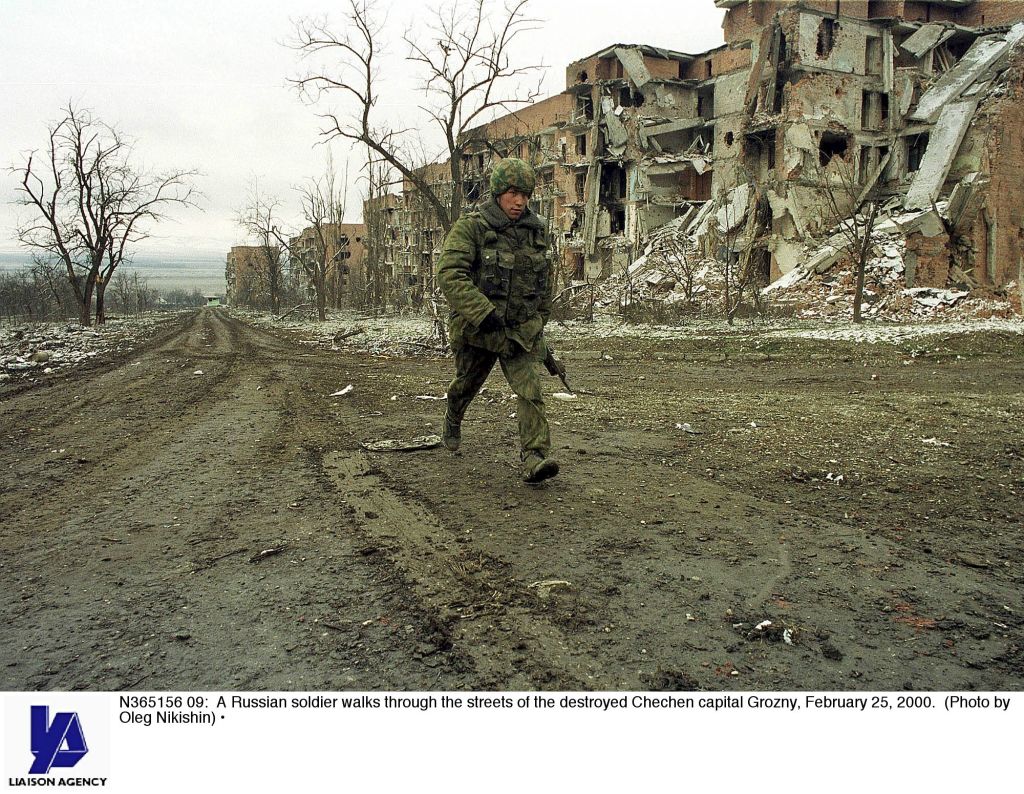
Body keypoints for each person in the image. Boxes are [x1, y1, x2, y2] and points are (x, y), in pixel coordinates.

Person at [435, 157, 559, 483]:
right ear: (498, 192)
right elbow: (450, 274)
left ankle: (534, 456)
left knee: (530, 391)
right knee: (466, 385)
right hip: (478, 329)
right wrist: (482, 312)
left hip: (517, 332)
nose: (519, 202)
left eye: (525, 195)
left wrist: (536, 324)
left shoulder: (536, 232)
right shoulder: (472, 228)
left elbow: (544, 285)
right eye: (513, 193)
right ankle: (453, 415)